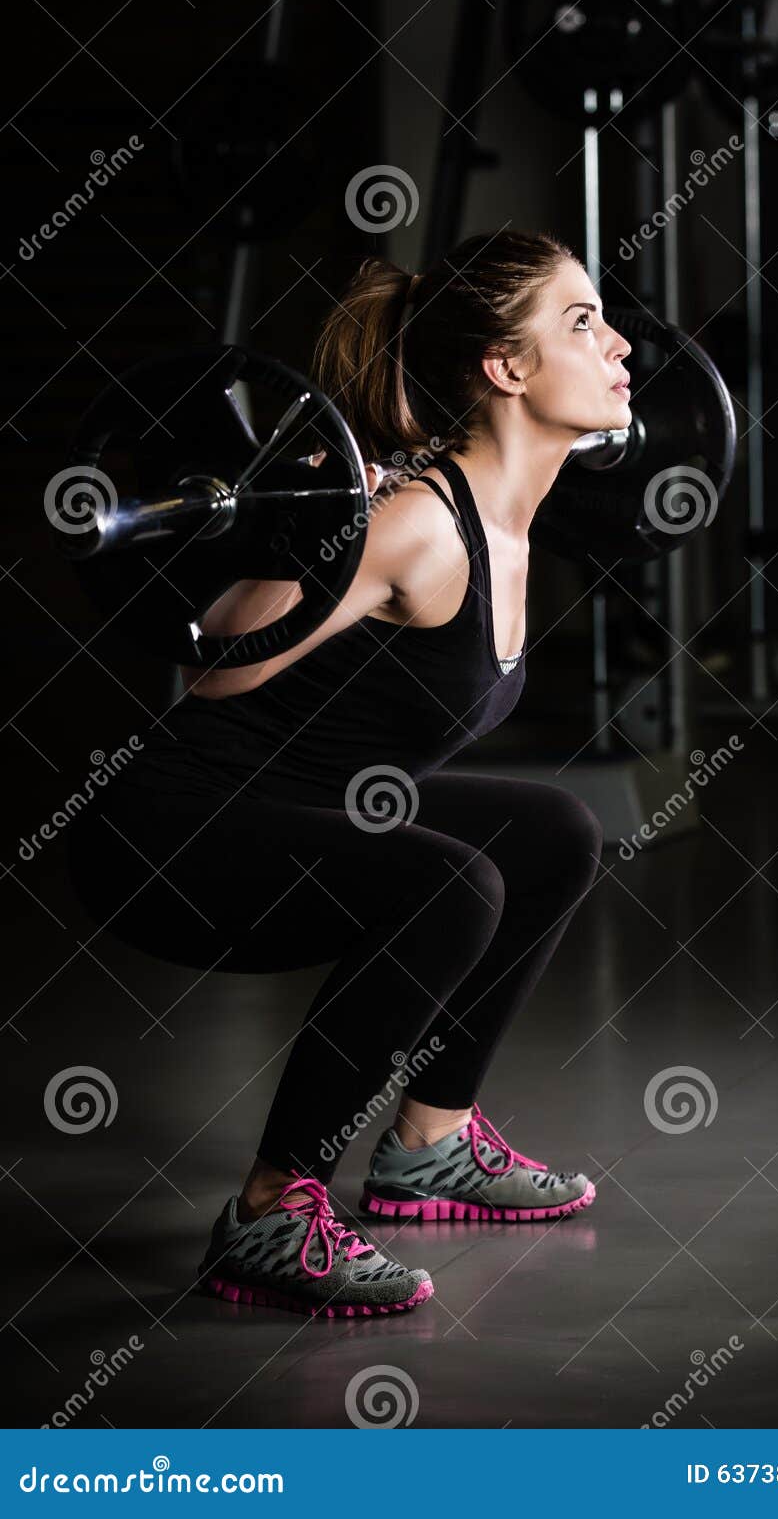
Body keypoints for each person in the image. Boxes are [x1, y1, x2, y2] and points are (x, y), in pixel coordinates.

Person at [65, 229, 633, 1321]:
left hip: (295, 809)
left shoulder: (511, 528)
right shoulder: (418, 521)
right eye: (578, 321)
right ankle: (273, 1209)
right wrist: (309, 535)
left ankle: (430, 1147)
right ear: (505, 370)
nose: (615, 343)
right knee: (450, 882)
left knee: (553, 830)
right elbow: (216, 672)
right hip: (169, 835)